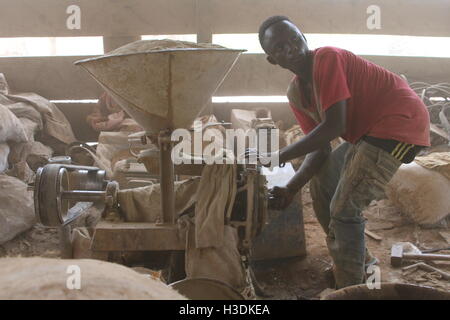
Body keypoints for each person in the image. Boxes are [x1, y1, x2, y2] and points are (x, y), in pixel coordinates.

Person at [258, 16, 430, 289]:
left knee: (345, 208)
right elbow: (321, 147)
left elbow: (334, 126)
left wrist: (279, 156)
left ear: (304, 38)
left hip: (400, 124)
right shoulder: (296, 93)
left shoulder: (327, 59)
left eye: (294, 38)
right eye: (279, 47)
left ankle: (352, 288)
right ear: (272, 59)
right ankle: (358, 263)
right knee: (322, 185)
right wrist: (291, 188)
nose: (290, 47)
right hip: (368, 133)